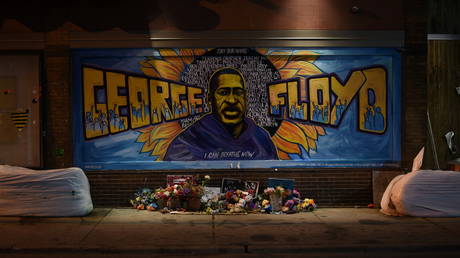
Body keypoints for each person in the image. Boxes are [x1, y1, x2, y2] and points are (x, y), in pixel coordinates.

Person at [163, 67, 278, 161]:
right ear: (210, 99)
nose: (232, 100)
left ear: (246, 98)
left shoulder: (261, 138)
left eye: (238, 93)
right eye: (223, 92)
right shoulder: (186, 143)